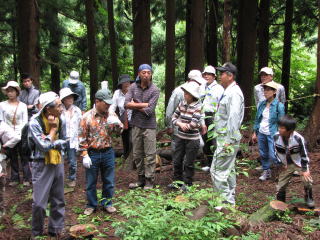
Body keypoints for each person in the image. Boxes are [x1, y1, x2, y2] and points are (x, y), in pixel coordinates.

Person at [29, 91, 69, 238]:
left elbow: (65, 140)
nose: (61, 108)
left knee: (59, 199)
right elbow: (43, 146)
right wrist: (52, 130)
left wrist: (53, 142)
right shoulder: (34, 122)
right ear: (48, 108)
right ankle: (36, 233)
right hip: (41, 163)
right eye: (58, 106)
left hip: (57, 161)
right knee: (39, 203)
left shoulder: (61, 119)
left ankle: (56, 230)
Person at [79, 89, 122, 216]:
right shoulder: (86, 117)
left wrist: (117, 127)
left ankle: (107, 203)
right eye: (105, 103)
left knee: (109, 180)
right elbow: (81, 138)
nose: (108, 106)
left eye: (109, 103)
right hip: (93, 152)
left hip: (108, 151)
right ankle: (91, 204)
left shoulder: (111, 115)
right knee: (91, 181)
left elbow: (117, 134)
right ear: (97, 102)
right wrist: (84, 155)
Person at [210, 62, 244, 206]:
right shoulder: (228, 91)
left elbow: (234, 118)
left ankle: (226, 203)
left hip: (227, 139)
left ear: (230, 76)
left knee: (216, 170)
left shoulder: (234, 93)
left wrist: (229, 140)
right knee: (228, 170)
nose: (219, 76)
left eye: (222, 73)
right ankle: (230, 198)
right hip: (224, 137)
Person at [125, 64, 160, 190]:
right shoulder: (133, 87)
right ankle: (140, 179)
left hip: (149, 126)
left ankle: (149, 180)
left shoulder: (155, 90)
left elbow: (149, 111)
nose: (146, 75)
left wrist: (135, 104)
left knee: (150, 155)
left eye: (148, 73)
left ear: (151, 74)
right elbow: (126, 104)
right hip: (136, 125)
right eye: (144, 72)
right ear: (139, 73)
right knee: (137, 154)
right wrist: (143, 105)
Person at [274, 115, 315, 208]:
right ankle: (281, 203)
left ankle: (309, 197)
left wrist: (305, 169)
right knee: (280, 185)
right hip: (286, 164)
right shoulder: (276, 137)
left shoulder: (298, 138)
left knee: (307, 179)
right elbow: (275, 152)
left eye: (282, 128)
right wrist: (281, 163)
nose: (279, 129)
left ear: (290, 130)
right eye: (279, 127)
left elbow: (304, 155)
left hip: (298, 162)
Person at [169, 81, 203, 190]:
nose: (185, 95)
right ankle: (177, 182)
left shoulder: (198, 106)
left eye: (187, 93)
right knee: (177, 160)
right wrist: (180, 124)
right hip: (180, 137)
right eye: (185, 93)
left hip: (192, 139)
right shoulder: (182, 103)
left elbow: (194, 123)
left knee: (189, 162)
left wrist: (185, 126)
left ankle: (188, 183)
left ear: (192, 95)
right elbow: (174, 117)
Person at [251, 81, 285, 181]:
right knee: (263, 153)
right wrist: (254, 132)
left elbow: (282, 122)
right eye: (264, 90)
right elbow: (258, 119)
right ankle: (266, 171)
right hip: (261, 132)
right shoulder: (262, 104)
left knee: (273, 154)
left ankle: (282, 171)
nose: (265, 92)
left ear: (274, 91)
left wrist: (281, 135)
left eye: (268, 90)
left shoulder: (279, 106)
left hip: (273, 133)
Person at [0, 81, 30, 186]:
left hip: (21, 133)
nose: (10, 93)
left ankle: (27, 178)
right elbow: (1, 121)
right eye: (8, 91)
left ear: (17, 92)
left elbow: (25, 121)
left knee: (24, 156)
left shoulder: (22, 106)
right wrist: (8, 133)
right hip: (8, 134)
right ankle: (14, 178)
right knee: (12, 156)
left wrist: (19, 133)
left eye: (12, 91)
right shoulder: (2, 105)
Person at [200, 66, 224, 172]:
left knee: (213, 140)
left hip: (213, 115)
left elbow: (220, 104)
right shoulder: (202, 87)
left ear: (214, 76)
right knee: (205, 140)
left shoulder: (218, 88)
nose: (206, 76)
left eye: (209, 74)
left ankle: (216, 165)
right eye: (205, 74)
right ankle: (210, 163)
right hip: (202, 115)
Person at [59, 88, 82, 188]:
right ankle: (59, 180)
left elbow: (81, 126)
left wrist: (80, 139)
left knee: (72, 162)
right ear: (63, 99)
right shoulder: (59, 110)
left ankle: (72, 179)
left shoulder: (77, 110)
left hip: (73, 140)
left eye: (71, 97)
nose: (70, 99)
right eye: (68, 97)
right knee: (59, 161)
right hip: (61, 140)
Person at [109, 75, 133, 164]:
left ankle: (134, 160)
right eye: (125, 83)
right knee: (125, 140)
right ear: (121, 84)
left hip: (134, 118)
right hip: (123, 119)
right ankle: (126, 159)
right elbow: (112, 106)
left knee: (132, 140)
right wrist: (111, 113)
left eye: (128, 82)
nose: (127, 84)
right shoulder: (117, 93)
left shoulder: (134, 91)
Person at [0, 116, 20, 218]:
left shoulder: (3, 126)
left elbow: (16, 137)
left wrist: (5, 145)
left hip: (3, 155)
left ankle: (2, 212)